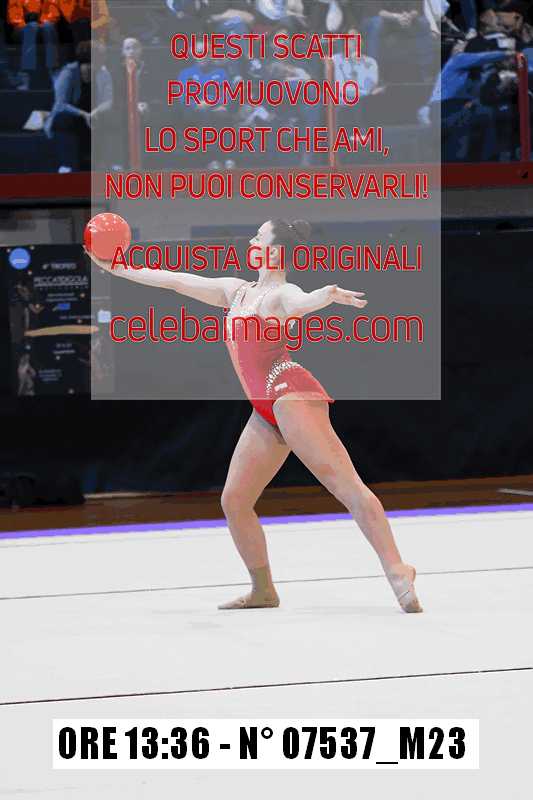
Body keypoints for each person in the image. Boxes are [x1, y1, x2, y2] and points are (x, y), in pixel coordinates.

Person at [85, 218, 423, 614]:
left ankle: (397, 569)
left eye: (258, 236)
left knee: (346, 487)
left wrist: (325, 296)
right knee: (235, 500)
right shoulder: (237, 291)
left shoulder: (280, 294)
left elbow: (299, 303)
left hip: (290, 393)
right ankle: (263, 590)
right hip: (265, 408)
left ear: (274, 250)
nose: (251, 239)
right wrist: (118, 269)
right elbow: (175, 281)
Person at [45, 40, 113, 171]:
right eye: (101, 54)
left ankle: (103, 163)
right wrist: (83, 114)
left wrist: (95, 112)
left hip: (93, 114)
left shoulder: (104, 72)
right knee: (63, 119)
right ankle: (66, 164)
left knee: (107, 117)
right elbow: (60, 104)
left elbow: (108, 101)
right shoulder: (69, 72)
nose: (105, 57)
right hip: (72, 114)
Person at [7, 0, 60, 89]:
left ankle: (53, 71)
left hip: (42, 25)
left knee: (48, 26)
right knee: (31, 27)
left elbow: (53, 13)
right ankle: (26, 75)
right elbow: (14, 16)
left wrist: (40, 22)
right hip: (21, 27)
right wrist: (28, 22)